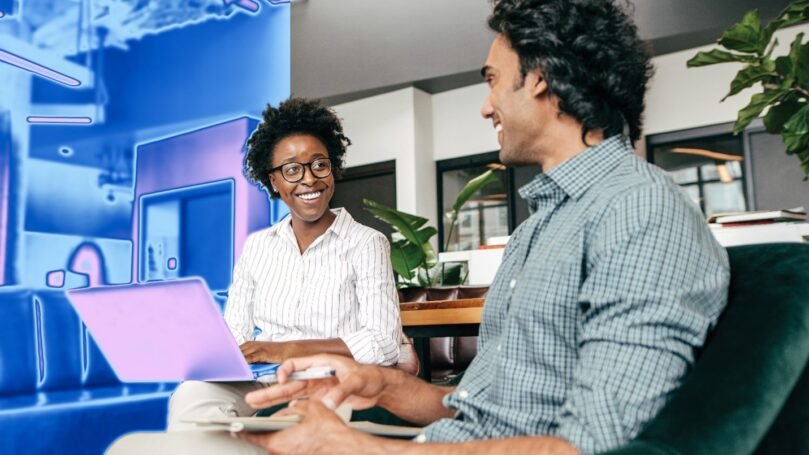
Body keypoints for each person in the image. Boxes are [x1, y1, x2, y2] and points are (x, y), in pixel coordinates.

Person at [109, 0, 729, 453]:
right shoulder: (544, 226)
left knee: (148, 450)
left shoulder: (640, 214)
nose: (486, 104)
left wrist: (370, 449)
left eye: (491, 79)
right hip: (437, 438)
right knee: (176, 429)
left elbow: (593, 443)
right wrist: (375, 383)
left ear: (539, 80)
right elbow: (477, 407)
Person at [166, 97, 403, 431]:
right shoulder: (258, 246)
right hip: (267, 381)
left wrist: (286, 350)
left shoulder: (367, 243)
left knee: (285, 420)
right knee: (192, 397)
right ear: (274, 182)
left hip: (333, 383)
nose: (309, 179)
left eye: (319, 164)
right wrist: (210, 354)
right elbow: (236, 333)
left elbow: (383, 342)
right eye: (292, 170)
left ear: (332, 168)